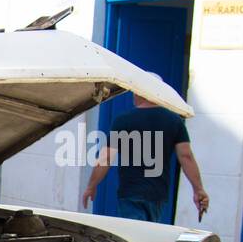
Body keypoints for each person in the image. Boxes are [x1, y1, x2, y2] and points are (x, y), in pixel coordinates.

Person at [81, 93, 209, 223]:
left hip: (131, 193)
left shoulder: (123, 120)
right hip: (157, 195)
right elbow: (186, 156)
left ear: (141, 94)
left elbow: (106, 158)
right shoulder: (174, 120)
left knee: (132, 238)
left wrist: (91, 186)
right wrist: (198, 189)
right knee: (148, 238)